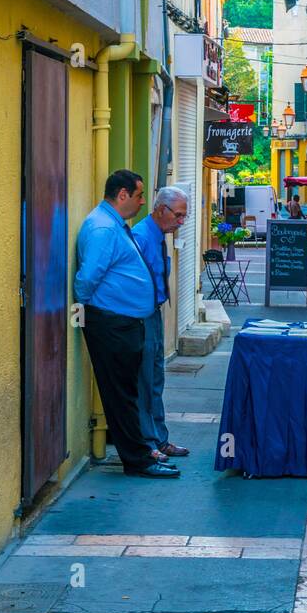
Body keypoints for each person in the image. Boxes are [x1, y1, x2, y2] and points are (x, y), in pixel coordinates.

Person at [74, 170, 179, 479]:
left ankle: (141, 455)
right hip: (111, 323)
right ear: (122, 195)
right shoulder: (103, 229)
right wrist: (89, 312)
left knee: (127, 393)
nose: (142, 201)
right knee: (121, 396)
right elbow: (87, 278)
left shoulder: (114, 225)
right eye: (138, 195)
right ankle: (139, 461)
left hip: (122, 322)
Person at [132, 187, 191, 460]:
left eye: (184, 217)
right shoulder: (142, 237)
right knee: (145, 380)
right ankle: (148, 443)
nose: (181, 221)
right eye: (178, 215)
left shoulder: (158, 236)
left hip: (153, 312)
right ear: (160, 209)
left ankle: (159, 438)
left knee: (156, 378)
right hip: (141, 315)